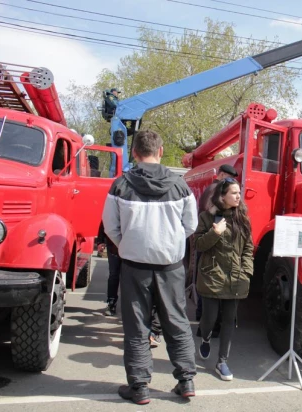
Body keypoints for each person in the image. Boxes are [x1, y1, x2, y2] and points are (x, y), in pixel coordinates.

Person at [102, 130, 198, 404]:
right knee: (177, 321)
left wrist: (128, 245)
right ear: (161, 150)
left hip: (134, 266)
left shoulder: (120, 184)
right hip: (170, 266)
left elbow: (111, 227)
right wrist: (170, 242)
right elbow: (190, 226)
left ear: (134, 152)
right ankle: (186, 380)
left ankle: (139, 386)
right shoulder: (180, 185)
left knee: (136, 326)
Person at [194, 177, 254, 382]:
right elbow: (198, 245)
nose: (238, 196)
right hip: (212, 276)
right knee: (209, 319)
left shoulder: (243, 219)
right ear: (222, 196)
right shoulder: (206, 217)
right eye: (233, 193)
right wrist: (214, 232)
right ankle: (206, 337)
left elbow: (248, 249)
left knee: (229, 321)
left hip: (236, 277)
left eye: (239, 193)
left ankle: (222, 362)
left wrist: (246, 272)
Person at [194, 163, 239, 334]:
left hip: (208, 237)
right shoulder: (215, 190)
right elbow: (211, 213)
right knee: (209, 287)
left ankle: (203, 318)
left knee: (204, 282)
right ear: (221, 175)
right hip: (211, 238)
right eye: (228, 178)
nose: (230, 181)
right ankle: (206, 325)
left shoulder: (209, 188)